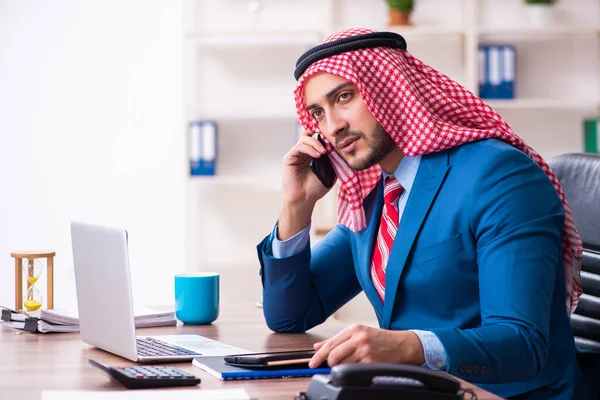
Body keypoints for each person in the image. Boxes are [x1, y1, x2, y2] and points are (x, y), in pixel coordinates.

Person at [256, 28, 589, 399]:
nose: (333, 126)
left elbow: (522, 342)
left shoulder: (499, 175)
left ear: (391, 89)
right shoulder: (372, 194)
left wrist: (410, 347)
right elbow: (290, 316)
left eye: (344, 97)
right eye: (318, 112)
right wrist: (297, 204)